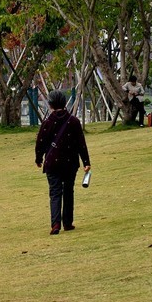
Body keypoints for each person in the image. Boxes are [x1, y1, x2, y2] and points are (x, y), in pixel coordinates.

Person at [34, 90, 90, 235]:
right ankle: (68, 222)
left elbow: (40, 142)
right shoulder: (74, 121)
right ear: (65, 103)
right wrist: (86, 161)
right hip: (70, 163)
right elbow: (81, 143)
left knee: (55, 193)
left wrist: (39, 159)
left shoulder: (47, 123)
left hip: (52, 163)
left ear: (50, 104)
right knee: (68, 191)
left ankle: (55, 224)